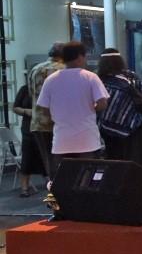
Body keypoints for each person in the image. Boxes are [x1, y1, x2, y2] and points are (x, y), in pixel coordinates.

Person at [35, 41, 108, 179]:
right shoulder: (90, 77)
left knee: (63, 179)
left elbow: (43, 108)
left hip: (61, 140)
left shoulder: (51, 79)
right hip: (87, 139)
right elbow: (102, 103)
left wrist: (59, 115)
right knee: (87, 178)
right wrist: (91, 108)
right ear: (80, 57)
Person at [96, 52, 142, 173]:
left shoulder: (99, 80)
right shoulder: (130, 76)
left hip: (107, 129)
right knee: (137, 162)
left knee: (114, 162)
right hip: (133, 127)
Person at [28, 43, 65, 185]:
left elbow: (31, 93)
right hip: (58, 121)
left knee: (48, 160)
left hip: (38, 121)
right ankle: (61, 189)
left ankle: (51, 187)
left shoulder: (35, 69)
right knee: (62, 160)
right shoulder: (63, 69)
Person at [12, 82, 45, 196]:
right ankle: (24, 188)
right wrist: (26, 111)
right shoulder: (25, 89)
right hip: (28, 127)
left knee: (46, 156)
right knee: (27, 157)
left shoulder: (48, 87)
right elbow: (15, 107)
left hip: (45, 127)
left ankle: (52, 184)